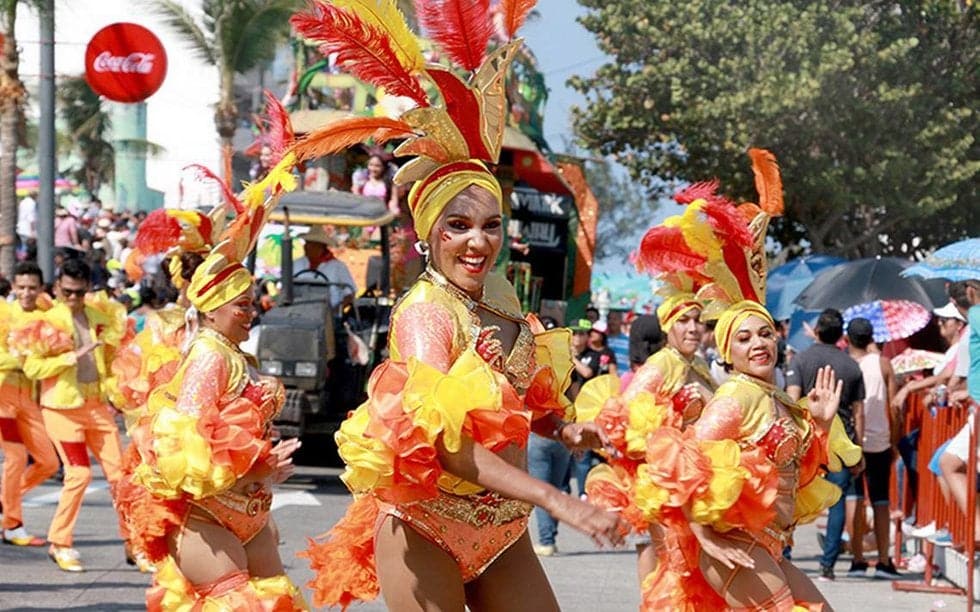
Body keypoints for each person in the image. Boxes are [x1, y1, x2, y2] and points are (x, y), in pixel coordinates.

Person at [291, 5, 624, 605]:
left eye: (491, 225)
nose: (479, 241)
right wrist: (557, 499)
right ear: (427, 233)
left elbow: (523, 402)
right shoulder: (427, 314)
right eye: (459, 226)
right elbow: (446, 444)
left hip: (502, 531)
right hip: (426, 527)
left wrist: (569, 428)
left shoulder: (503, 301)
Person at [132, 155, 306, 609]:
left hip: (248, 512)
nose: (251, 312)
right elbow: (181, 445)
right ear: (210, 309)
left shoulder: (233, 354)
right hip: (207, 516)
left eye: (252, 304)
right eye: (242, 305)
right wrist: (257, 470)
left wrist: (263, 471)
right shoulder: (210, 355)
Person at [21, 258, 130, 571]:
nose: (73, 298)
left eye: (79, 293)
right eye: (67, 292)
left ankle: (135, 544)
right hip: (61, 409)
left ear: (87, 290)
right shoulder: (47, 321)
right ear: (57, 288)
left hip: (96, 407)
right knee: (79, 474)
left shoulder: (99, 316)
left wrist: (117, 390)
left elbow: (110, 360)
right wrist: (70, 357)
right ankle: (60, 542)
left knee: (120, 477)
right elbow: (33, 367)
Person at [786, 308, 866, 581]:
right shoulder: (851, 366)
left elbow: (792, 399)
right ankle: (828, 564)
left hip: (807, 440)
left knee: (792, 496)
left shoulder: (800, 360)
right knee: (837, 500)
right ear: (841, 335)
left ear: (817, 331)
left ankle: (784, 556)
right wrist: (859, 451)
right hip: (840, 446)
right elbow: (858, 413)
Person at [0, 262, 59, 546]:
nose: (26, 292)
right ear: (13, 287)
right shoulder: (3, 313)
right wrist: (26, 359)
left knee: (48, 461)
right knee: (16, 458)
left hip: (30, 398)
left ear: (41, 289)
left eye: (32, 288)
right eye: (21, 287)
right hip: (3, 397)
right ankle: (12, 524)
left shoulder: (45, 316)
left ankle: (5, 502)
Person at [845, 317, 901, 579]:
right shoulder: (883, 364)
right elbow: (894, 406)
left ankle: (856, 559)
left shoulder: (848, 366)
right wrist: (895, 439)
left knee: (854, 498)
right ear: (871, 337)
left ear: (848, 338)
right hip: (880, 439)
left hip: (853, 441)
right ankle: (883, 559)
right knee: (880, 500)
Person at [293, 225, 356, 312]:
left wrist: (336, 310)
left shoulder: (338, 267)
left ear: (321, 247)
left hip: (328, 316)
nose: (306, 247)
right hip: (297, 312)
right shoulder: (296, 264)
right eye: (306, 243)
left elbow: (350, 293)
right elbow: (284, 290)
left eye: (311, 244)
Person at [607, 310, 631, 374]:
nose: (611, 322)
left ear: (621, 321)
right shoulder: (603, 340)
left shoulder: (628, 341)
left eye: (615, 319)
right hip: (605, 380)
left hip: (623, 379)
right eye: (609, 319)